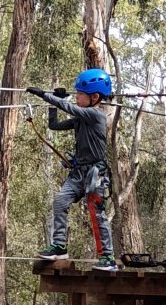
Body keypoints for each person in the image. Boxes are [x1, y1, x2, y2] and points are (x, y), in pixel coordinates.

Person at [26, 69, 118, 271]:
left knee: (97, 212)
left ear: (95, 97)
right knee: (60, 201)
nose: (76, 97)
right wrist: (53, 104)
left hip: (95, 173)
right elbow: (54, 126)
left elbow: (68, 108)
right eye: (76, 94)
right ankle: (59, 245)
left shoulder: (96, 115)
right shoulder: (81, 117)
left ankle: (108, 259)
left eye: (80, 94)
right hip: (79, 172)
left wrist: (46, 96)